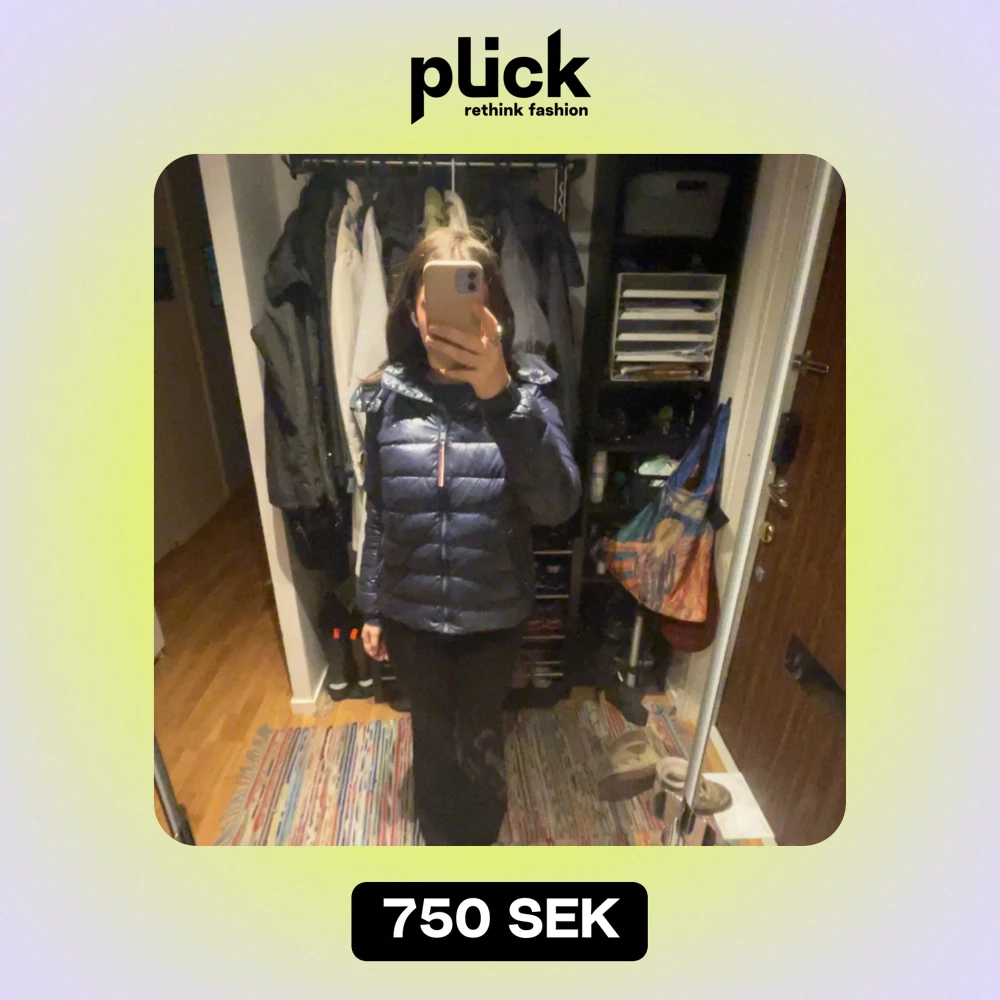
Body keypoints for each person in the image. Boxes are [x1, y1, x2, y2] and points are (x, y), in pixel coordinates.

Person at [350, 226, 581, 846]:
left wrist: (501, 397)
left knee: (479, 732)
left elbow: (557, 505)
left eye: (467, 295)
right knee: (430, 730)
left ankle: (478, 841)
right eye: (434, 299)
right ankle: (436, 837)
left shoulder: (529, 391)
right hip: (411, 614)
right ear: (414, 308)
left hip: (492, 612)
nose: (445, 316)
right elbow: (380, 512)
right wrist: (371, 607)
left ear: (491, 307)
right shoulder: (384, 398)